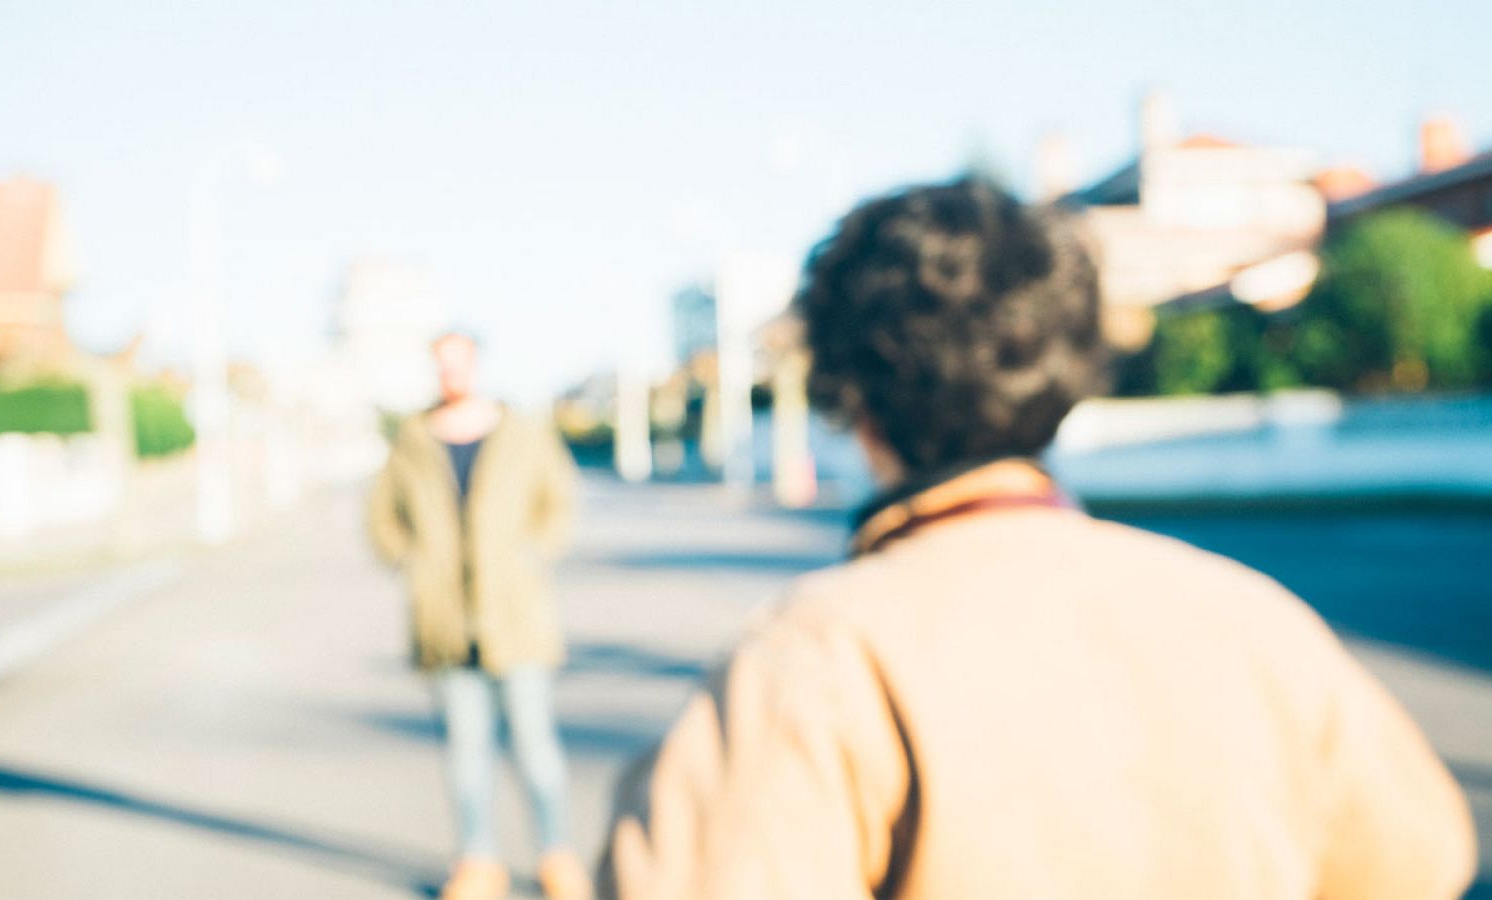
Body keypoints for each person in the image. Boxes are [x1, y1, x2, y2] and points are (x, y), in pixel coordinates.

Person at [597, 179, 1475, 899]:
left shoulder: (818, 658)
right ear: (1071, 376)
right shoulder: (1253, 618)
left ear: (851, 399)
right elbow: (1422, 858)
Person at [368, 331, 591, 900]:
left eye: (460, 362)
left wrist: (532, 554)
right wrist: (412, 562)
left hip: (517, 616)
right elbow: (381, 519)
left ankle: (557, 857)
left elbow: (558, 501)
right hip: (444, 619)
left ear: (477, 365)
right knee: (466, 755)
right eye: (441, 364)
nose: (451, 373)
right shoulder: (412, 440)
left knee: (536, 748)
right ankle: (478, 862)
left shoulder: (521, 434)